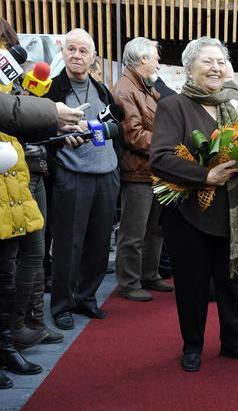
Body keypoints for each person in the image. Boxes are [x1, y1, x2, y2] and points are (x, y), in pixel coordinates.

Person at [150, 36, 238, 372]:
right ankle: (192, 346)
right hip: (189, 215)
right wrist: (205, 175)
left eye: (220, 62)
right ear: (189, 69)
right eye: (207, 62)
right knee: (191, 284)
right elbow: (160, 158)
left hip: (232, 213)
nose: (216, 68)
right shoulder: (174, 106)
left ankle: (233, 342)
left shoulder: (234, 106)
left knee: (233, 283)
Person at [0, 92, 83, 389]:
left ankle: (11, 338)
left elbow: (14, 116)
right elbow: (11, 110)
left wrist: (52, 128)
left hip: (17, 178)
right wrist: (51, 113)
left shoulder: (11, 76)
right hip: (10, 181)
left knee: (14, 270)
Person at [44, 28, 120, 330]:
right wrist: (63, 137)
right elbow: (39, 132)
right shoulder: (51, 90)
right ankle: (62, 304)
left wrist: (98, 131)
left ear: (93, 58)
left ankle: (86, 298)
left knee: (100, 244)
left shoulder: (103, 91)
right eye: (71, 49)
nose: (77, 55)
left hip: (106, 174)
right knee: (68, 245)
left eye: (83, 51)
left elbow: (117, 127)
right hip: (72, 175)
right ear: (63, 53)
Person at [112, 37, 173, 302]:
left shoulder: (143, 87)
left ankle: (149, 274)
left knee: (155, 229)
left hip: (153, 170)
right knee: (134, 232)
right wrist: (169, 143)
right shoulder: (126, 89)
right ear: (142, 60)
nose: (158, 61)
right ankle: (128, 282)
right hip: (137, 172)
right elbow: (133, 135)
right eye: (155, 57)